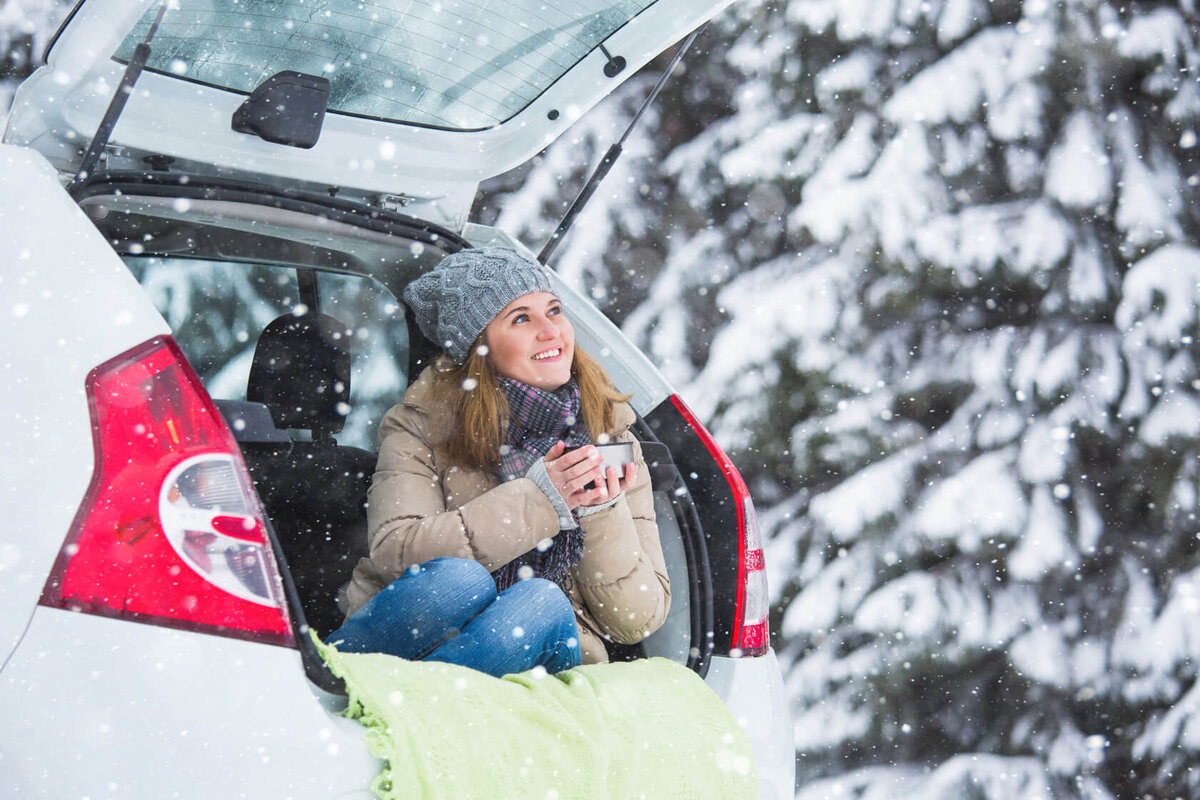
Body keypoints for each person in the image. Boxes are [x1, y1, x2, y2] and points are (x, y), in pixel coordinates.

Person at [328, 246, 670, 677]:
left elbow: (636, 619)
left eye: (555, 311)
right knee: (459, 582)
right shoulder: (423, 424)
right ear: (479, 347)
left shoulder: (611, 434)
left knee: (542, 603)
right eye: (522, 318)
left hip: (536, 651)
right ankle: (382, 693)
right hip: (408, 639)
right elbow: (396, 554)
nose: (551, 331)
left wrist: (599, 509)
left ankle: (407, 710)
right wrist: (540, 501)